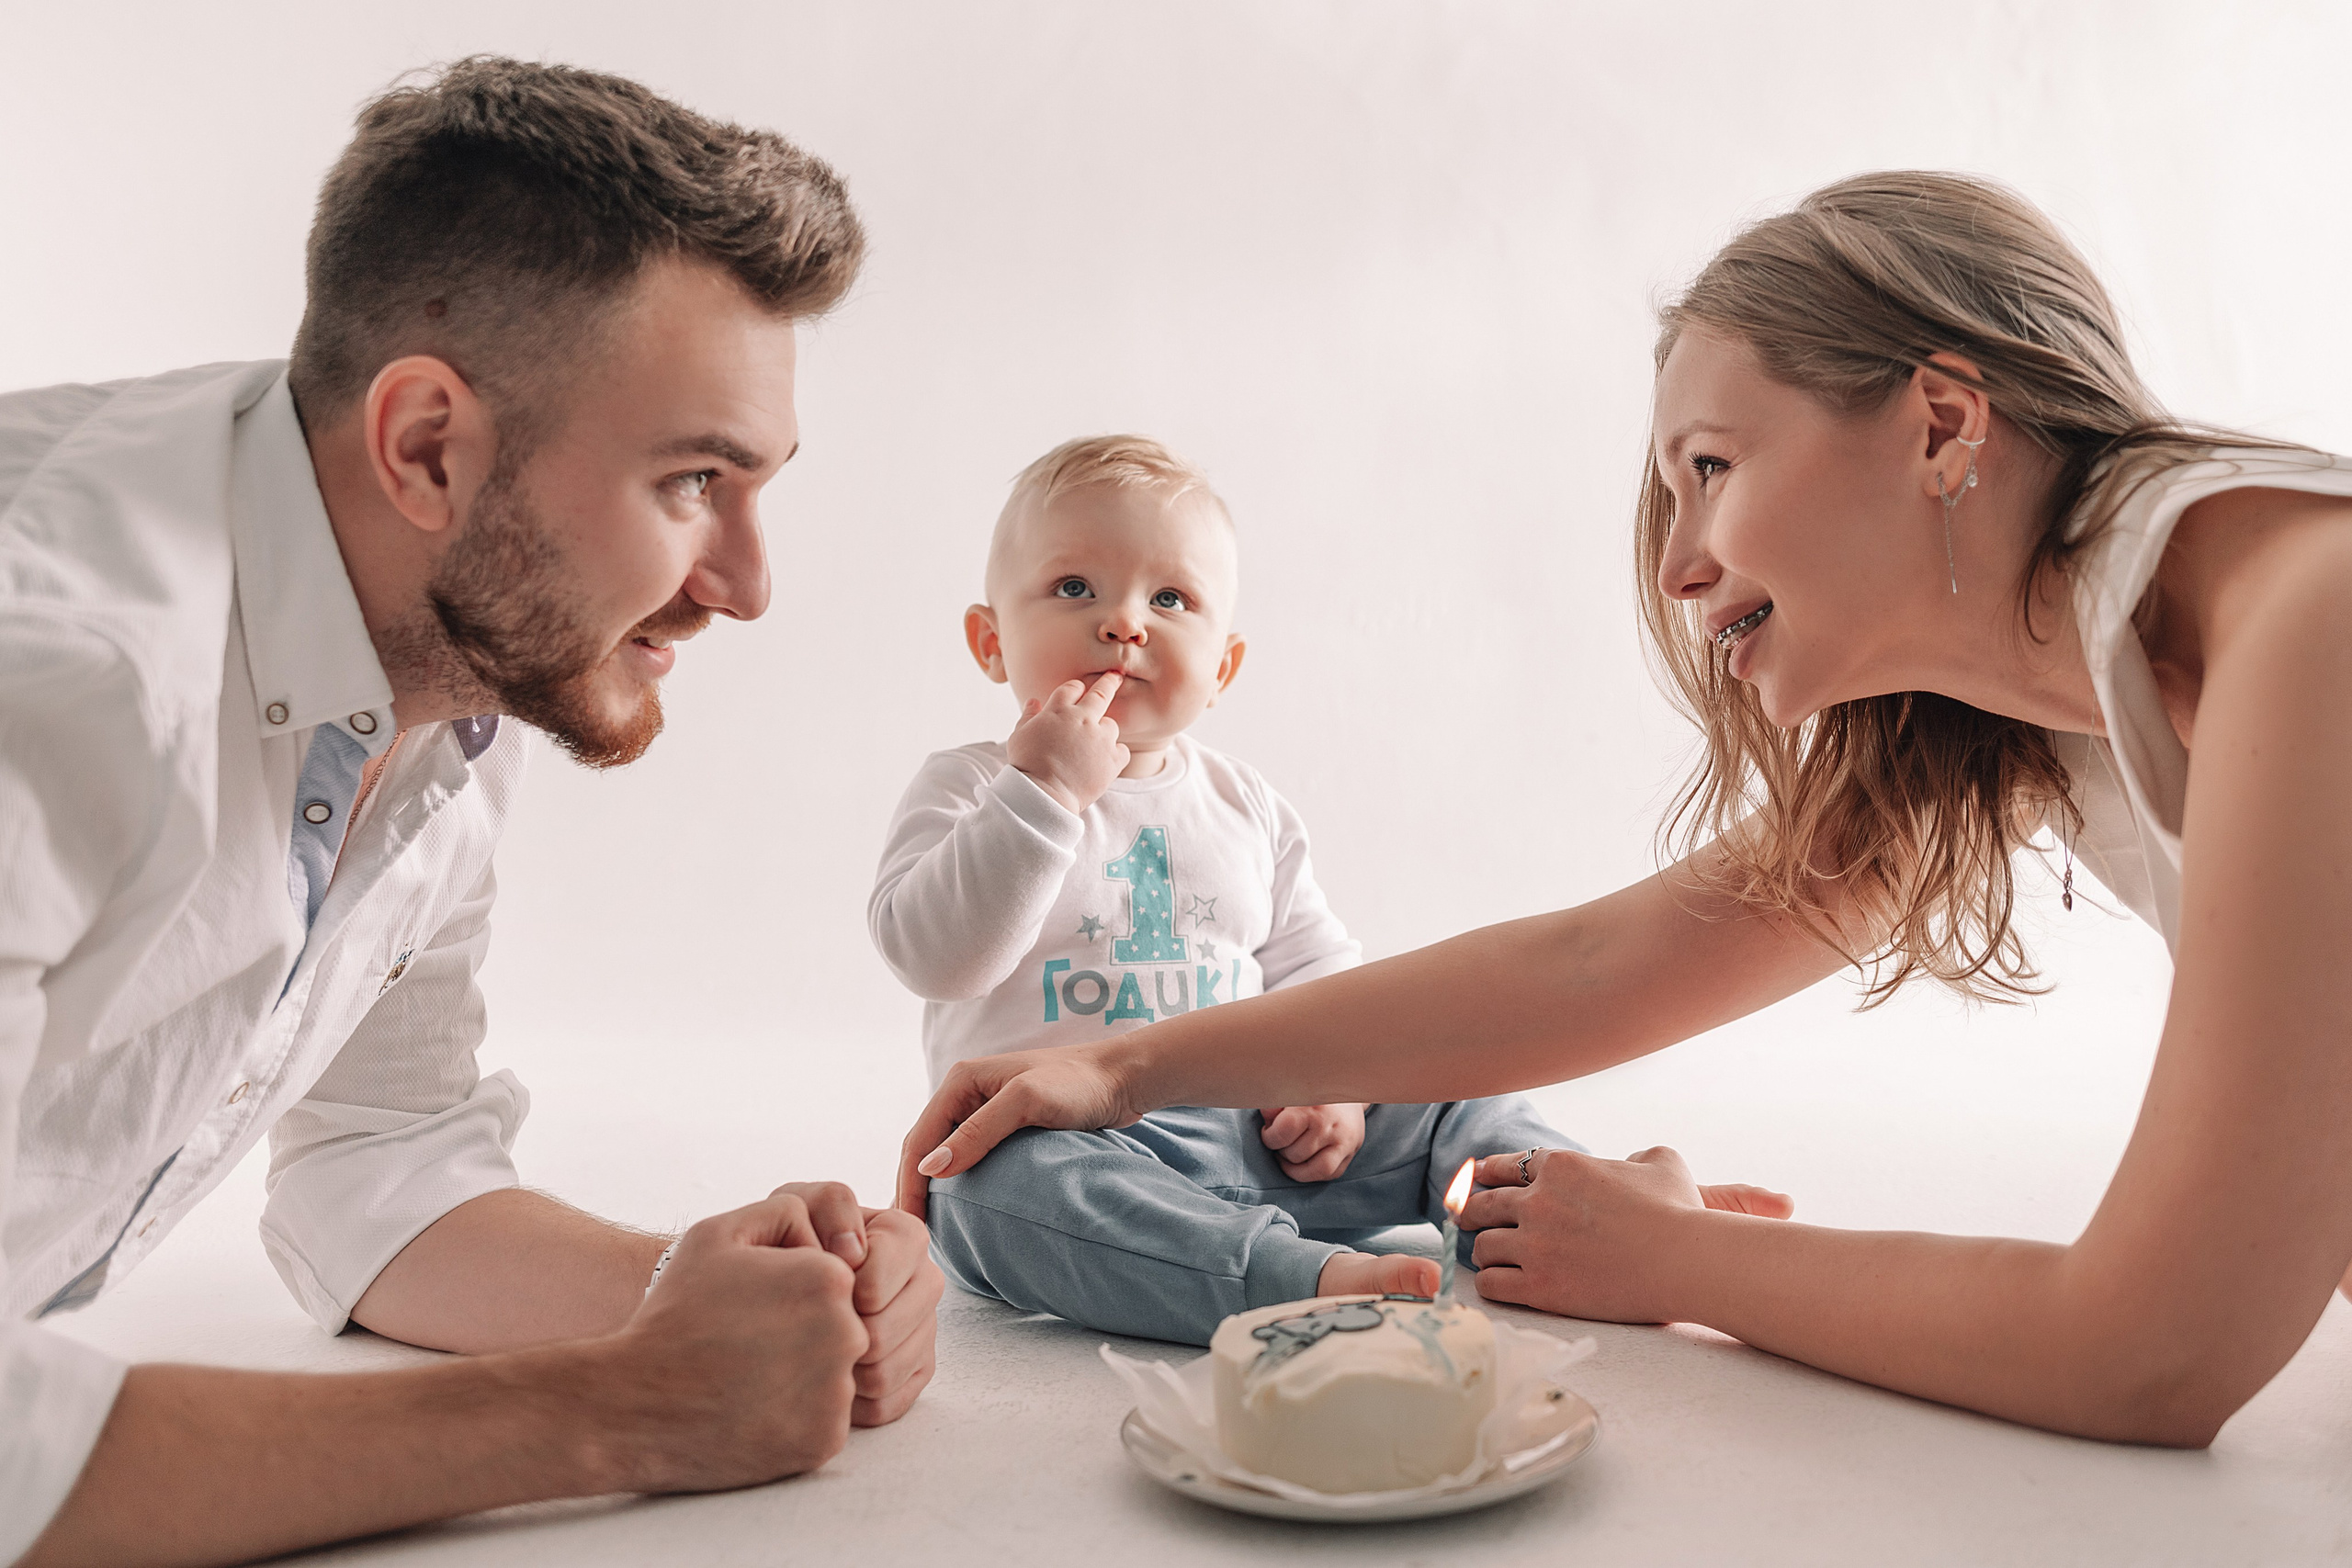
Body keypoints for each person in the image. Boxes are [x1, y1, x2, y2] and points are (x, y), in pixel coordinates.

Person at [897, 171, 2352, 1448]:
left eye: (1710, 467)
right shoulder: (2060, 706)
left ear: (1945, 423)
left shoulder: (2312, 624)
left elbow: (2152, 1348)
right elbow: (1610, 963)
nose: (1678, 567)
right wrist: (1124, 1069)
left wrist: (1676, 1260)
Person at [4, 59, 941, 1567]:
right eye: (695, 480)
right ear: (429, 445)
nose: (749, 585)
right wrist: (627, 1408)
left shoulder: (444, 654)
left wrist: (727, 1303)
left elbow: (381, 1166)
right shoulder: (54, 676)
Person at [872, 435, 1659, 1344]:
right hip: (1077, 1156)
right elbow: (935, 957)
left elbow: (1320, 976)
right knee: (979, 1192)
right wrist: (1043, 792)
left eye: (1170, 598)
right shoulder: (972, 787)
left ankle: (1582, 1211)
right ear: (988, 640)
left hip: (1257, 1134)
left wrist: (1335, 1087)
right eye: (1075, 588)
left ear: (1224, 669)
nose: (1126, 622)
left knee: (1454, 1097)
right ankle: (1291, 1276)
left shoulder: (1243, 805)